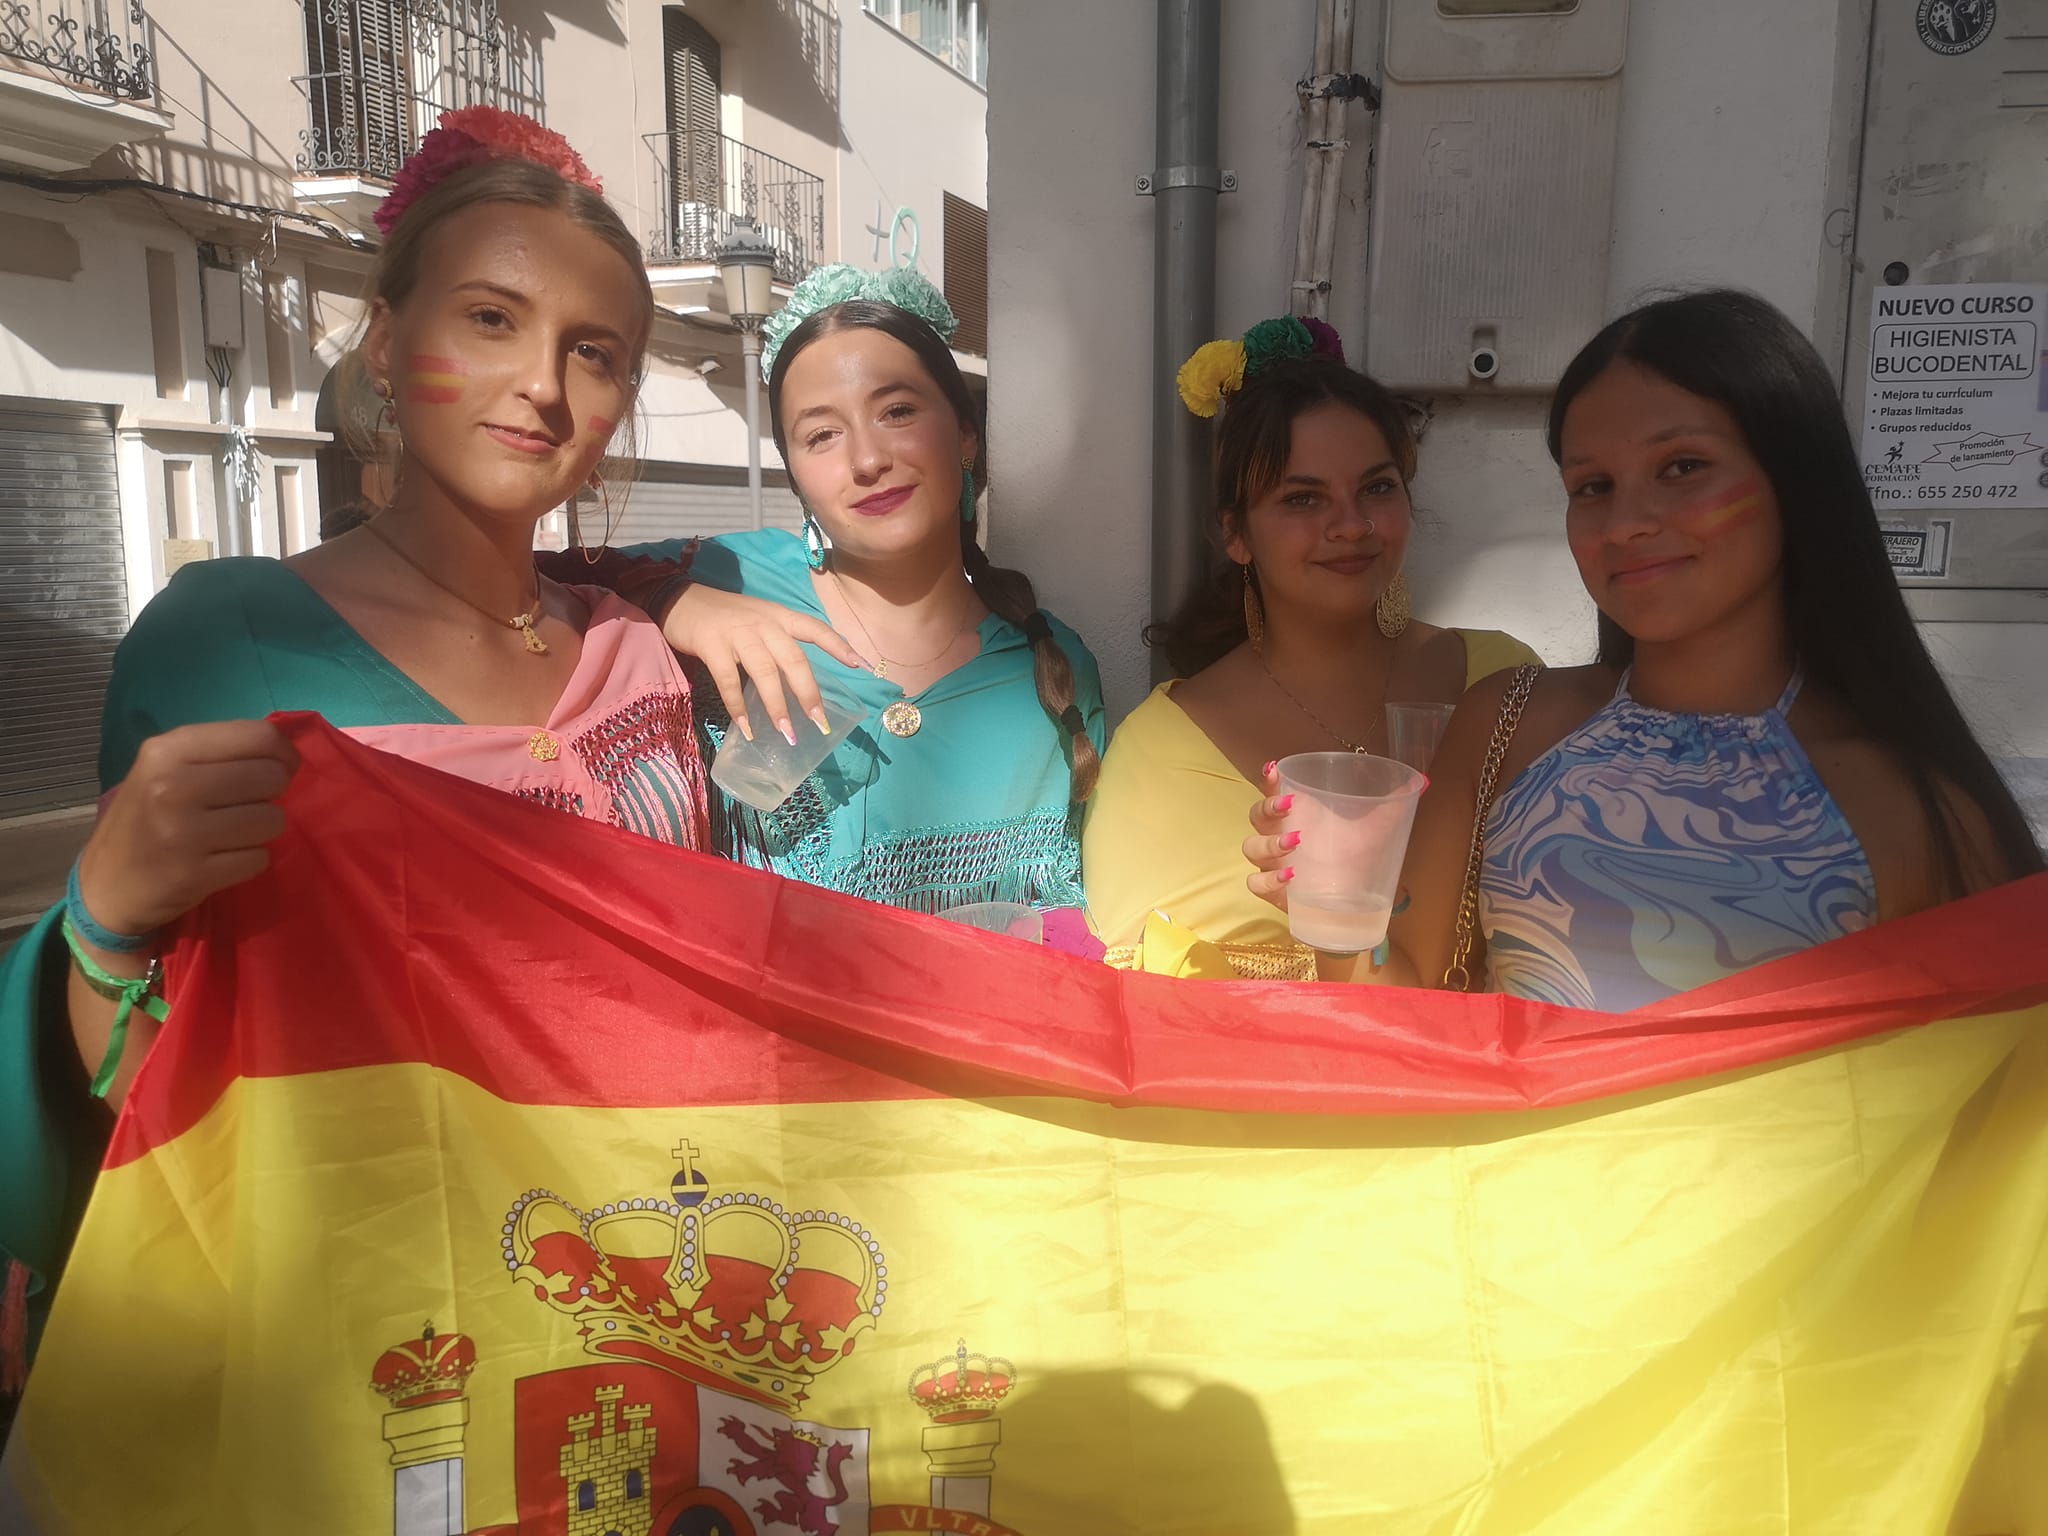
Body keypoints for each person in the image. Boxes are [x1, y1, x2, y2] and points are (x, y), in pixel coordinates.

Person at [0, 108, 835, 1386]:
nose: (544, 387)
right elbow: (153, 1087)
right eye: (490, 319)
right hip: (360, 1334)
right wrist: (104, 922)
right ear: (387, 343)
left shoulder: (635, 654)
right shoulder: (227, 639)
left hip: (622, 1302)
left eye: (595, 353)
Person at [1245, 290, 2043, 1007]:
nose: (1626, 522)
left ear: (1795, 482)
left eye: (1683, 467)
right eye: (1593, 486)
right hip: (1515, 1171)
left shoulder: (1916, 803)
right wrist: (1331, 911)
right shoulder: (1509, 722)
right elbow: (1413, 1004)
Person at [611, 265, 1107, 914]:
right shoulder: (727, 578)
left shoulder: (1055, 667)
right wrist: (674, 602)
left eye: (897, 411)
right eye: (821, 435)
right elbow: (513, 582)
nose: (866, 460)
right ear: (795, 473)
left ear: (965, 434)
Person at [1083, 318, 1539, 977]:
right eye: (1303, 499)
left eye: (1377, 488)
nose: (1351, 526)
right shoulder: (1162, 756)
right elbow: (1147, 1029)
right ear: (1236, 534)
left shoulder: (1507, 684)